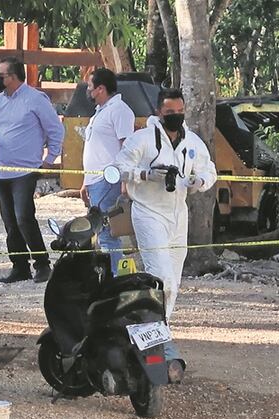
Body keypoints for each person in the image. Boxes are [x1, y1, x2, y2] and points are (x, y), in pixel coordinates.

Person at [113, 88, 217, 381]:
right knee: (161, 278)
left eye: (180, 111)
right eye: (170, 112)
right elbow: (119, 166)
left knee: (174, 283)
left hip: (178, 215)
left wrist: (199, 181)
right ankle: (154, 336)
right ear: (159, 112)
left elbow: (210, 170)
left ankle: (157, 332)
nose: (176, 117)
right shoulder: (143, 139)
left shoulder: (192, 142)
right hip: (148, 212)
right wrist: (146, 174)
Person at [0, 57, 65, 284]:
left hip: (25, 170)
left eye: (1, 74)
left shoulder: (35, 99)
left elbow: (56, 129)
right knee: (9, 221)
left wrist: (50, 159)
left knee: (24, 218)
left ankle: (42, 264)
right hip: (2, 171)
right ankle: (19, 266)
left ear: (14, 76)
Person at [81, 67, 136, 272]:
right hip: (95, 181)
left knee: (107, 233)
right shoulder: (100, 112)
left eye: (90, 86)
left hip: (109, 180)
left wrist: (124, 181)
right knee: (100, 231)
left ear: (101, 89)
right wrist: (85, 181)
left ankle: (115, 276)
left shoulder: (119, 110)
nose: (88, 90)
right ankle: (110, 274)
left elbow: (127, 148)